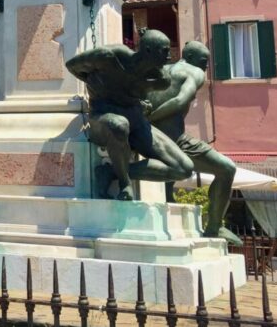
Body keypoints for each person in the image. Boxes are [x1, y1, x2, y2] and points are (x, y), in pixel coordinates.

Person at [66, 29, 193, 201]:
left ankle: (110, 172)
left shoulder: (161, 79)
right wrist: (94, 83)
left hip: (137, 122)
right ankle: (125, 184)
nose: (169, 56)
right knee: (119, 125)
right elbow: (72, 66)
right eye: (164, 51)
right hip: (102, 116)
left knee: (184, 169)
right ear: (148, 50)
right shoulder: (109, 56)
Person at [146, 41, 240, 244]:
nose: (206, 66)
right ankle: (215, 227)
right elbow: (179, 100)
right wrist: (151, 118)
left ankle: (168, 197)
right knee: (227, 169)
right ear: (189, 57)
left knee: (173, 165)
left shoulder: (160, 70)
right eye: (204, 60)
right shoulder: (195, 72)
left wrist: (144, 122)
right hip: (174, 139)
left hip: (150, 137)